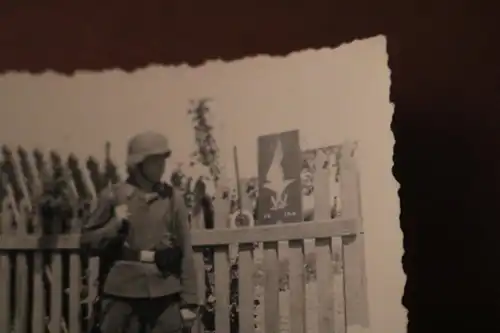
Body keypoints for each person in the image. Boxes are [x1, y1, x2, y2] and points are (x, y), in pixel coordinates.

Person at [81, 131, 199, 333]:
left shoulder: (172, 199)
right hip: (122, 290)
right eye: (154, 161)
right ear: (138, 164)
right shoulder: (113, 196)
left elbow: (186, 251)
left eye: (162, 160)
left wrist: (189, 301)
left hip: (164, 290)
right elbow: (86, 241)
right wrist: (112, 227)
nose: (161, 166)